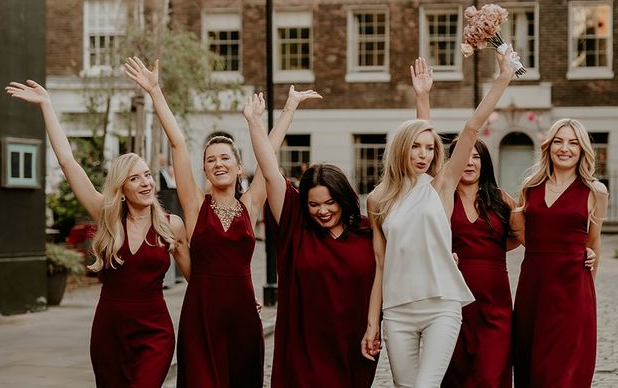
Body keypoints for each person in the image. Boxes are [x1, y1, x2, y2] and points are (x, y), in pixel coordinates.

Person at [124, 56, 317, 388]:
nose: (218, 163)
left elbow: (268, 155)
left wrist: (289, 108)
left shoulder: (251, 203)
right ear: (204, 169)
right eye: (210, 159)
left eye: (225, 157)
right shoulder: (195, 204)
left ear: (240, 167)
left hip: (243, 313)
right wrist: (156, 92)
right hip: (202, 314)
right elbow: (178, 143)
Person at [5, 79, 190, 388]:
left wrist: (236, 298)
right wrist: (47, 106)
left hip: (154, 334)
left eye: (147, 175)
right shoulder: (107, 215)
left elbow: (198, 277)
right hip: (109, 332)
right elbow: (67, 162)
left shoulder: (171, 225)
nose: (146, 183)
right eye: (135, 178)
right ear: (122, 188)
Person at [362, 46, 516, 388]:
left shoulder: (440, 186)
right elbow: (380, 265)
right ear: (402, 148)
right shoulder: (378, 201)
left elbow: (472, 128)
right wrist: (374, 322)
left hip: (441, 306)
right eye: (415, 147)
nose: (423, 154)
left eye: (430, 148)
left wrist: (502, 78)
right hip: (398, 311)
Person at [243, 91, 378, 388]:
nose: (323, 211)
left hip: (353, 346)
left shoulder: (368, 231)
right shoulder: (296, 226)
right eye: (314, 204)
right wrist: (259, 120)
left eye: (330, 202)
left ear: (344, 198)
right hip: (304, 349)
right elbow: (268, 170)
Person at [409, 56, 518, 388]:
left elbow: (526, 236)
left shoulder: (503, 201)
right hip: (452, 301)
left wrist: (585, 252)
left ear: (485, 163)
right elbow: (425, 145)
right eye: (463, 155)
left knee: (491, 376)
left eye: (476, 156)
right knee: (455, 377)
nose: (470, 161)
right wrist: (422, 98)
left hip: (495, 306)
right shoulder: (440, 196)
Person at [511, 118, 608, 388]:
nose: (565, 148)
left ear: (582, 149)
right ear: (548, 146)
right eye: (558, 141)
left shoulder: (595, 191)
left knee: (563, 371)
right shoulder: (529, 188)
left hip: (573, 292)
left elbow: (594, 241)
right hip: (533, 289)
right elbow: (521, 234)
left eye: (573, 143)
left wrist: (587, 283)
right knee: (532, 365)